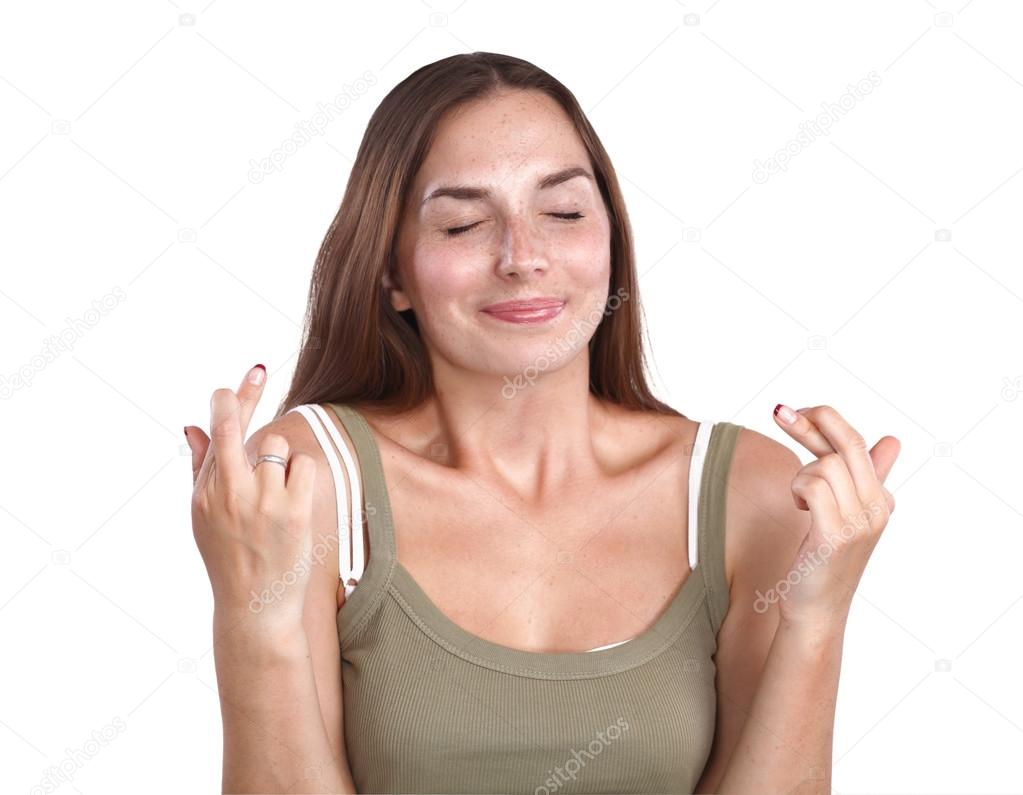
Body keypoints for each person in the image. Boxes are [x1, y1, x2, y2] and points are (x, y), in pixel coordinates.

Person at [184, 51, 900, 794]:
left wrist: (814, 625)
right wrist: (253, 620)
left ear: (612, 244)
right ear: (391, 273)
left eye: (562, 213)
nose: (523, 258)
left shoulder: (753, 494)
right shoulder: (308, 481)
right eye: (462, 224)